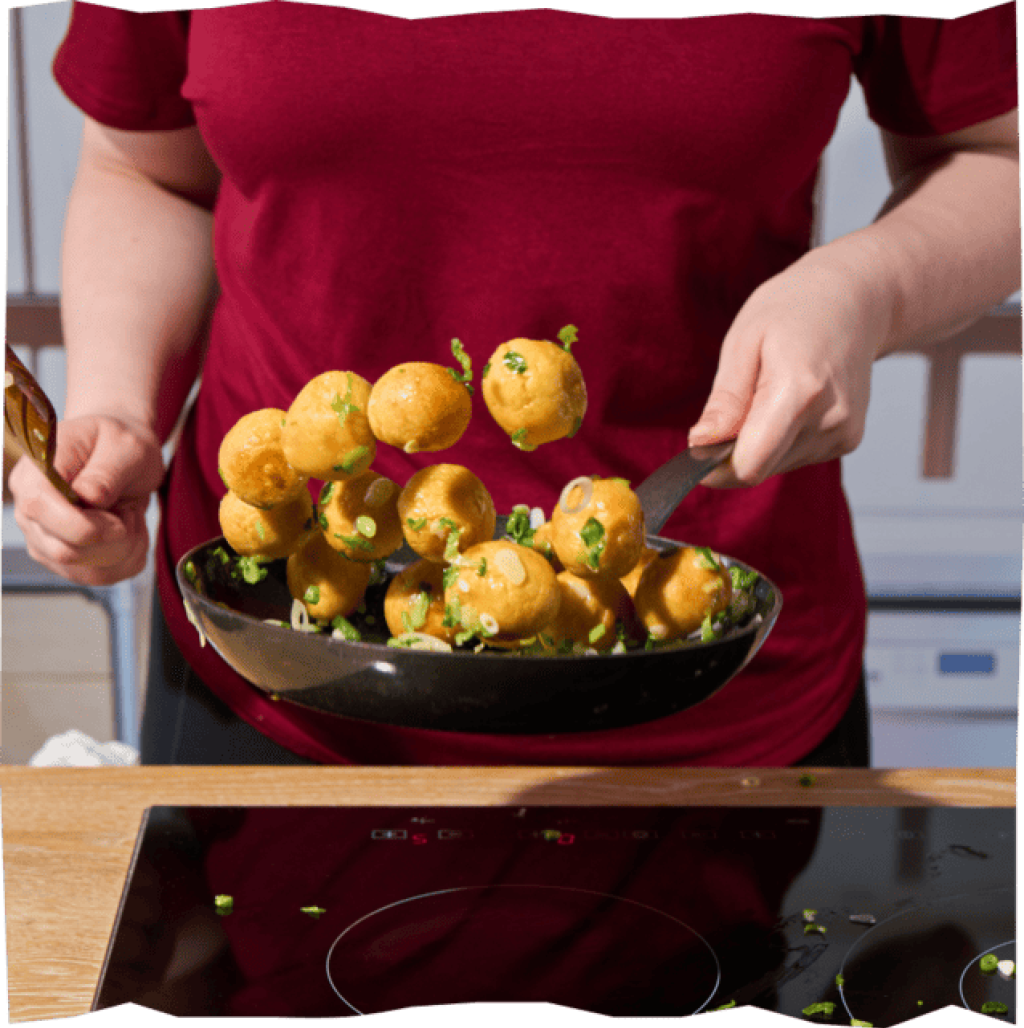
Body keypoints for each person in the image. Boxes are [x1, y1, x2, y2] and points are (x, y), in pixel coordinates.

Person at [10, 3, 1019, 766]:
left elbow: (993, 156)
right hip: (283, 657)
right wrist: (116, 403)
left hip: (695, 670)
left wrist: (865, 289)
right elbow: (147, 170)